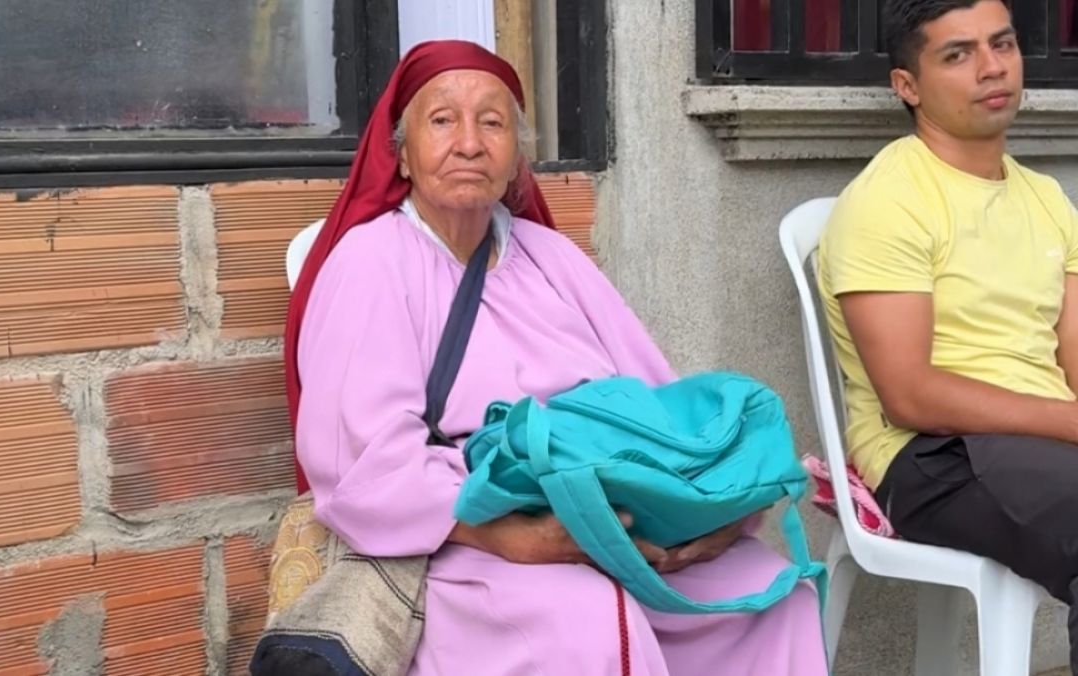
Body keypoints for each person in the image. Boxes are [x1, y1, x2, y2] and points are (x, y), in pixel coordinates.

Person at [283, 39, 826, 675]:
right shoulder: (371, 262)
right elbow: (364, 463)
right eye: (443, 120)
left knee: (771, 596)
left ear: (516, 156)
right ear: (401, 153)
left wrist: (701, 513)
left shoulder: (552, 258)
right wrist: (516, 537)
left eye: (492, 123)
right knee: (594, 620)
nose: (469, 143)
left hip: (608, 516)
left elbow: (651, 407)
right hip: (458, 532)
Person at [819, 0, 1078, 671]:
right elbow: (911, 396)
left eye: (1002, 44)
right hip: (931, 455)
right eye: (958, 54)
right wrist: (1070, 422)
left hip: (1044, 441)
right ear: (907, 85)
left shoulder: (1047, 199)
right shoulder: (888, 201)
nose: (992, 68)